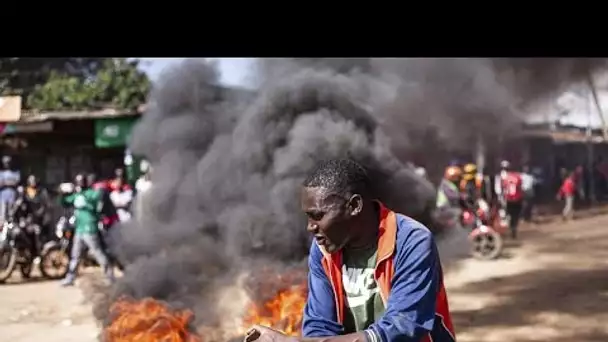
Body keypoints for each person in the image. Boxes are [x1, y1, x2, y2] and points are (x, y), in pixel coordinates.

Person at [246, 159, 456, 342]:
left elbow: (401, 329)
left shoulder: (411, 241)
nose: (310, 227)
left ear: (354, 206)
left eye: (318, 215)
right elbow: (320, 325)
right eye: (308, 217)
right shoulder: (323, 250)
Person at [60, 173, 114, 286]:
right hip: (79, 229)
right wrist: (63, 193)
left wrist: (83, 196)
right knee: (75, 255)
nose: (80, 184)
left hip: (90, 228)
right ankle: (70, 278)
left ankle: (110, 277)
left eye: (81, 182)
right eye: (78, 182)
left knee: (98, 253)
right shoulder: (77, 195)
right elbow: (65, 202)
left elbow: (96, 201)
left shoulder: (91, 193)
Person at [494, 160, 523, 239]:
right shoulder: (518, 176)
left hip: (507, 199)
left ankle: (508, 229)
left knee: (506, 214)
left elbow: (500, 189)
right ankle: (513, 229)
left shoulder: (502, 177)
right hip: (517, 199)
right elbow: (521, 188)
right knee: (515, 215)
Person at [0, 156, 21, 224]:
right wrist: (10, 182)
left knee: (11, 214)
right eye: (5, 162)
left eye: (8, 162)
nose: (6, 164)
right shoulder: (1, 173)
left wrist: (5, 182)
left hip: (12, 196)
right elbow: (0, 183)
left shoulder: (15, 172)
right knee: (2, 215)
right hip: (2, 196)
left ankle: (10, 231)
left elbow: (16, 182)